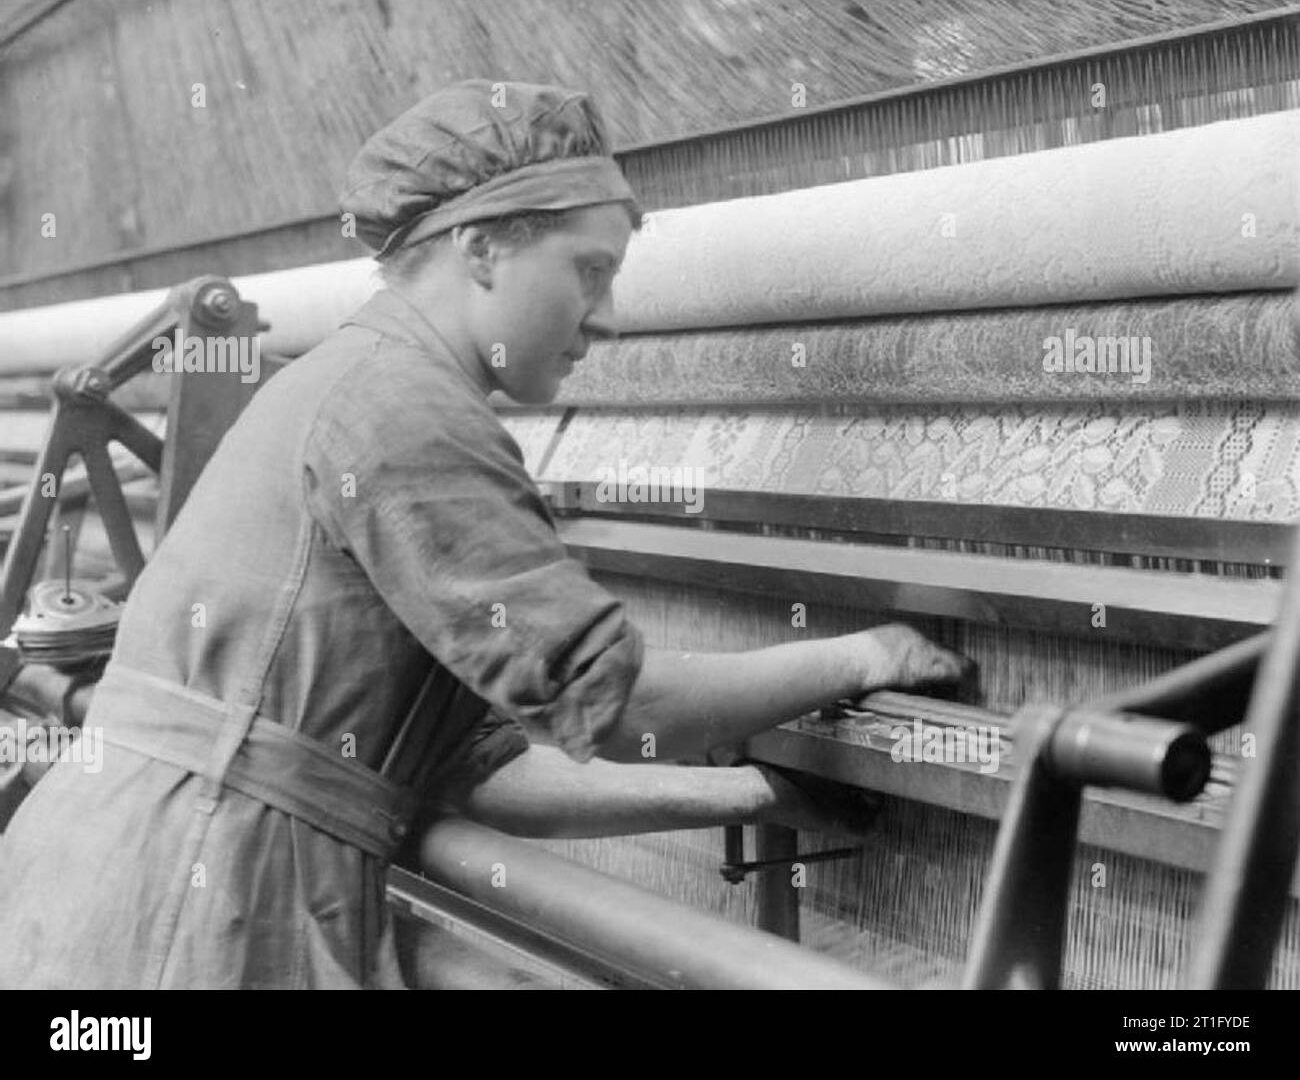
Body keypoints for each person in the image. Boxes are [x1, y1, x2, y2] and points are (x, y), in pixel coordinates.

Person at [0, 80, 968, 989]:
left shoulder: (344, 379)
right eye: (589, 270)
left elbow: (483, 771)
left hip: (128, 883)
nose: (609, 317)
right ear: (481, 248)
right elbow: (618, 701)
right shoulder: (403, 411)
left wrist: (752, 796)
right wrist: (863, 652)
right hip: (196, 905)